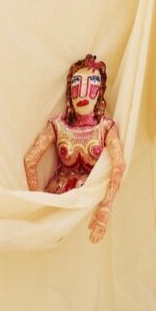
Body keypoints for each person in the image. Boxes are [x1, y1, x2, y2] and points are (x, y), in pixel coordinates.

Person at [22, 54, 126, 244]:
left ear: (100, 91)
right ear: (70, 91)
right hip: (56, 209)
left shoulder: (105, 128)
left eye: (92, 83)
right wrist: (37, 205)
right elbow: (30, 161)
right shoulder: (58, 126)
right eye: (77, 84)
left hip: (86, 213)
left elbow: (119, 165)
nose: (84, 92)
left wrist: (106, 206)